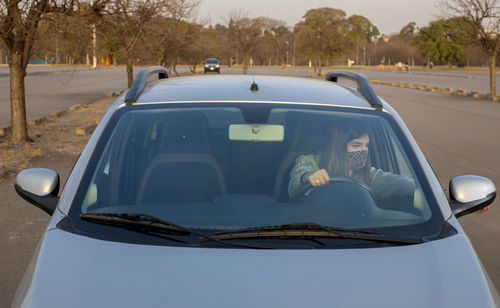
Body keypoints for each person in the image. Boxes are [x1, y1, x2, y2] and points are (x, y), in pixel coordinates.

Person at [288, 123, 415, 203]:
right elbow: (296, 181)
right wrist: (308, 176)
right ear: (338, 147)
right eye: (356, 145)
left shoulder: (369, 176)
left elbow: (409, 186)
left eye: (366, 145)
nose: (363, 151)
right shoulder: (310, 161)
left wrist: (422, 192)